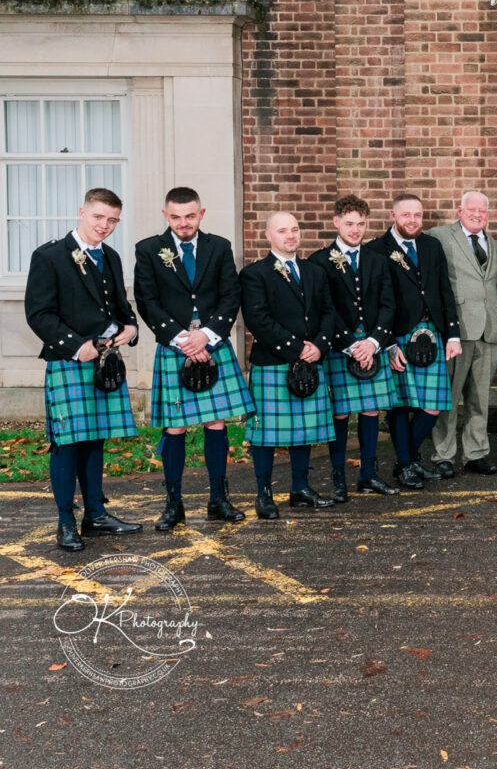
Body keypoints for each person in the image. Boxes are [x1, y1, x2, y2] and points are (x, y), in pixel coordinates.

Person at [24, 188, 142, 551]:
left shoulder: (112, 256)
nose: (105, 226)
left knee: (95, 439)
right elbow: (39, 314)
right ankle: (65, 522)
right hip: (70, 361)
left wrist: (131, 326)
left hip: (107, 362)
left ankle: (95, 515)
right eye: (98, 217)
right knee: (66, 443)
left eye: (112, 220)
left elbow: (120, 305)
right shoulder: (50, 256)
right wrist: (78, 347)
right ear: (82, 212)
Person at [135, 186, 254, 529]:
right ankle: (174, 504)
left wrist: (207, 335)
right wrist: (183, 339)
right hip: (176, 345)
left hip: (212, 343)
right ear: (165, 215)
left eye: (190, 216)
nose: (183, 223)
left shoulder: (219, 246)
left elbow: (231, 295)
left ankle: (219, 499)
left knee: (216, 422)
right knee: (176, 426)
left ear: (201, 214)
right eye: (176, 216)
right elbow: (147, 301)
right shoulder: (148, 249)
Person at [239, 212, 336, 518]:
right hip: (274, 362)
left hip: (310, 360)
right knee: (265, 434)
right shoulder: (255, 274)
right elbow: (258, 320)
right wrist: (298, 349)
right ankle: (264, 493)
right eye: (282, 231)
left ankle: (300, 489)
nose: (290, 235)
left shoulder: (314, 270)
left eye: (294, 229)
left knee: (304, 430)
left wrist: (319, 346)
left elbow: (328, 312)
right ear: (268, 235)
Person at [365, 193, 462, 490]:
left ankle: (405, 459)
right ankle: (407, 463)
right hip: (397, 335)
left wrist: (453, 333)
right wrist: (389, 342)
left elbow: (444, 291)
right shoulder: (376, 250)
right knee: (400, 405)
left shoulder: (432, 246)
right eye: (406, 215)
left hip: (431, 334)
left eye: (417, 215)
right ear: (393, 216)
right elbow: (372, 303)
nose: (412, 220)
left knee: (433, 404)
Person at [308, 195, 401, 499]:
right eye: (349, 223)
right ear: (336, 222)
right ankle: (338, 480)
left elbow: (389, 305)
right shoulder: (319, 261)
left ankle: (368, 475)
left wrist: (374, 342)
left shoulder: (378, 259)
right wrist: (351, 343)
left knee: (371, 410)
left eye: (361, 224)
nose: (356, 230)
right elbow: (324, 308)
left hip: (372, 345)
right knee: (340, 413)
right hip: (339, 346)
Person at [426, 192, 497, 476]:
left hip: (489, 330)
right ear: (459, 210)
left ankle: (476, 453)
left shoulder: (493, 244)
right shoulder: (440, 236)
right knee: (449, 397)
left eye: (482, 211)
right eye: (471, 209)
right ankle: (443, 455)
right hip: (457, 330)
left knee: (480, 398)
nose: (477, 214)